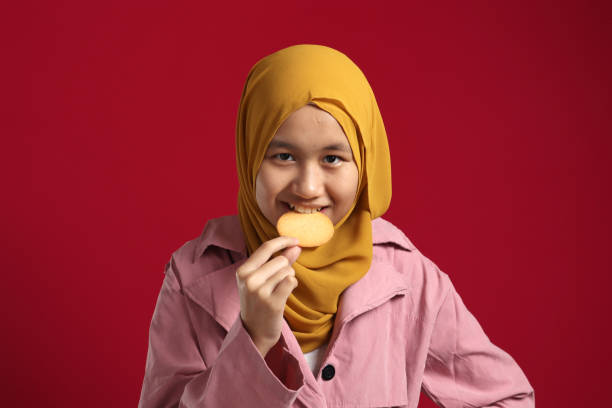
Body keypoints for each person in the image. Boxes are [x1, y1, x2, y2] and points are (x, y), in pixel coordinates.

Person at [137, 44, 535, 407]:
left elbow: (507, 399)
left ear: (364, 166)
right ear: (250, 155)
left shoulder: (408, 277)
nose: (308, 188)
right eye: (283, 156)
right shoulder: (192, 275)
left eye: (332, 159)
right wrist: (254, 338)